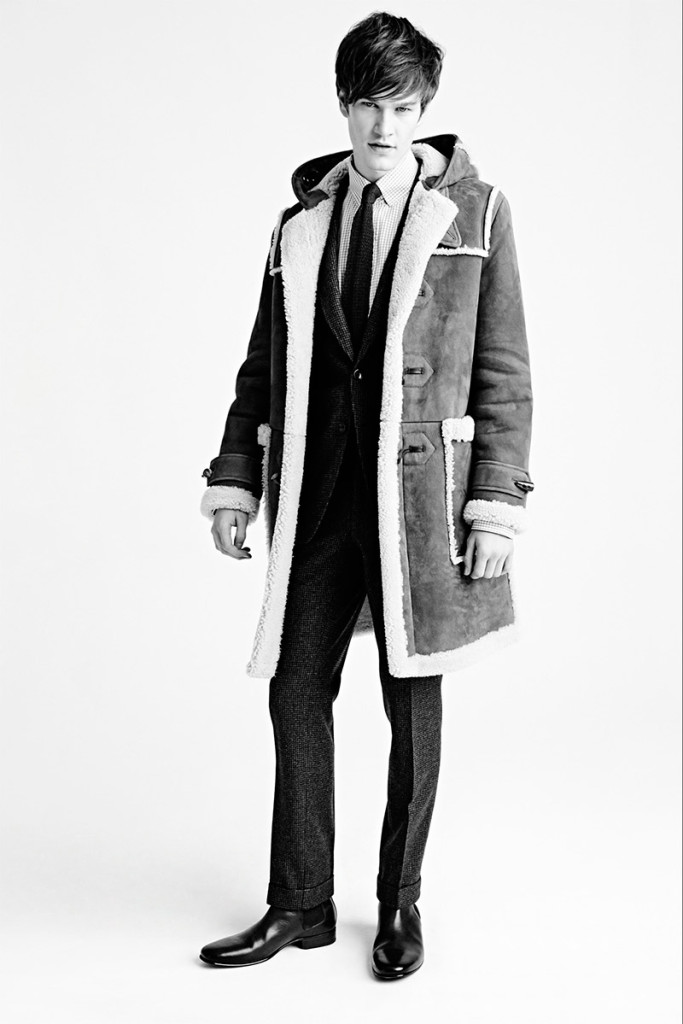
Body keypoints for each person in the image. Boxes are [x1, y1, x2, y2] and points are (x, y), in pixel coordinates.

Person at [197, 11, 534, 980]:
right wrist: (233, 478)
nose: (384, 126)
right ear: (342, 106)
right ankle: (300, 902)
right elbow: (262, 365)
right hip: (316, 499)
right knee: (295, 691)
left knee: (410, 705)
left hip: (417, 509)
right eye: (367, 106)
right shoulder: (299, 223)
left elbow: (504, 371)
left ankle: (397, 903)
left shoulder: (474, 213)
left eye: (403, 107)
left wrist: (494, 503)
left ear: (424, 110)